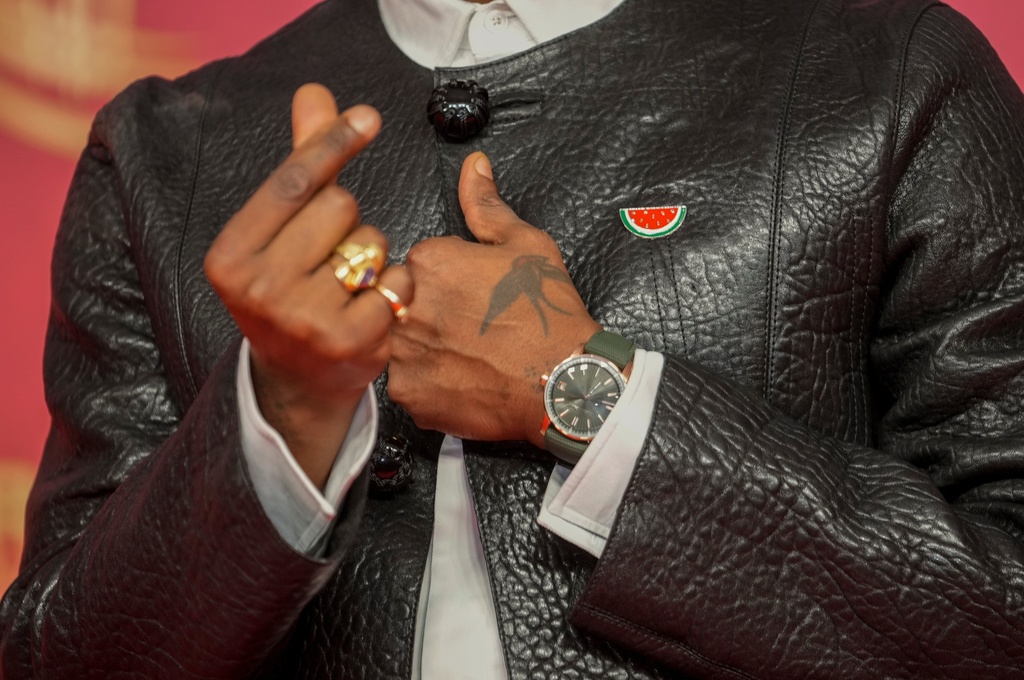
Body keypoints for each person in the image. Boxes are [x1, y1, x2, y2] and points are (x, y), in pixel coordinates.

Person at [3, 0, 1024, 677]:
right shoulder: (162, 149)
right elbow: (56, 653)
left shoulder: (890, 74)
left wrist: (582, 392)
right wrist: (284, 412)